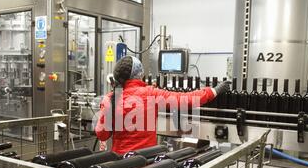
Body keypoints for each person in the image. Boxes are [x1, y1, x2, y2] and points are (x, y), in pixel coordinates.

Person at [95, 56, 230, 155]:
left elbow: (102, 135)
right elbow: (185, 99)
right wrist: (214, 91)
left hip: (118, 164)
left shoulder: (110, 98)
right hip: (144, 162)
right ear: (140, 74)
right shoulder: (150, 93)